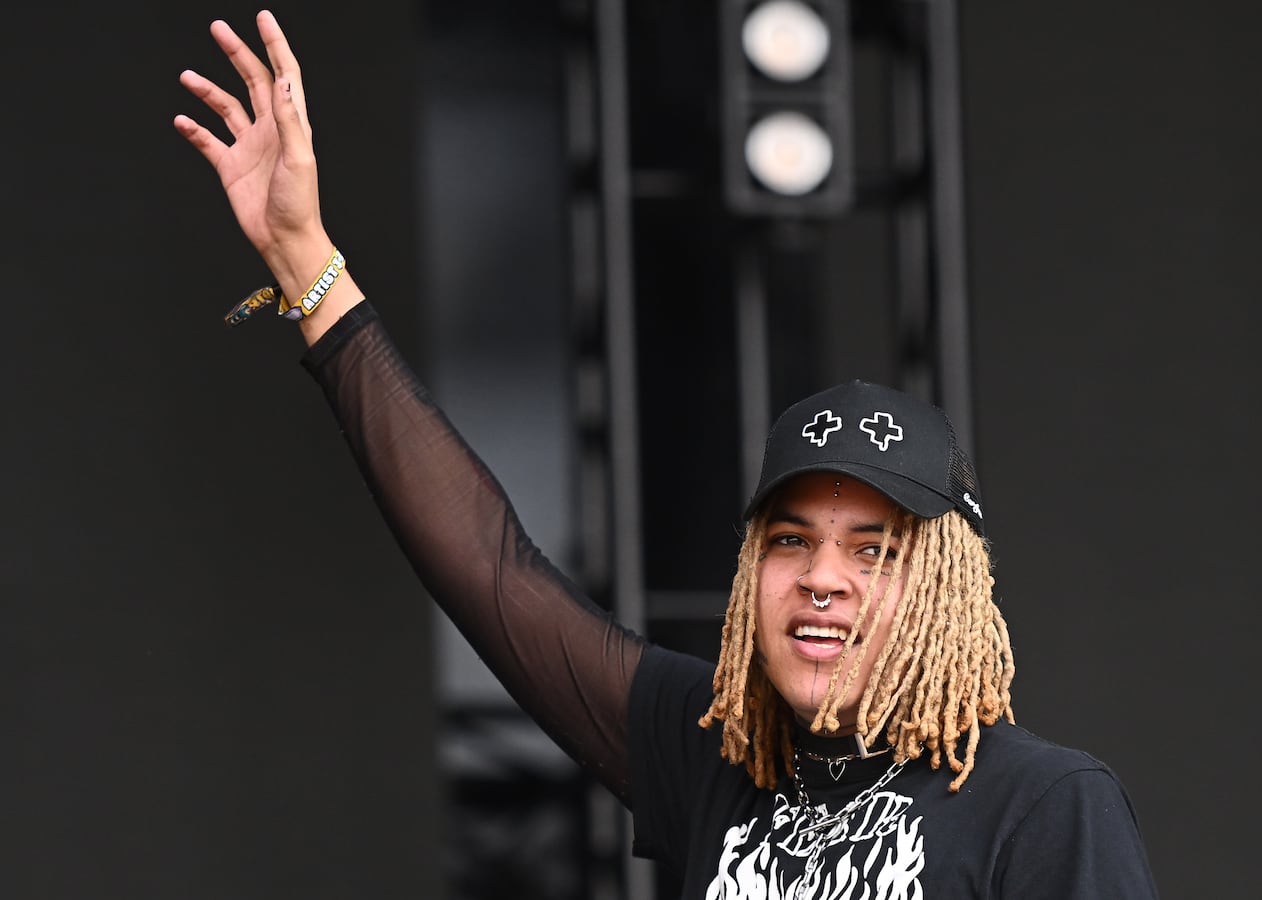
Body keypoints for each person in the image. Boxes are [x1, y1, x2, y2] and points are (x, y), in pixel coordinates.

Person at [175, 11, 1160, 898]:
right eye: (788, 541)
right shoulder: (719, 758)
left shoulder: (1043, 803)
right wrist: (304, 262)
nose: (822, 579)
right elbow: (488, 568)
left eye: (874, 549)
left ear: (945, 586)